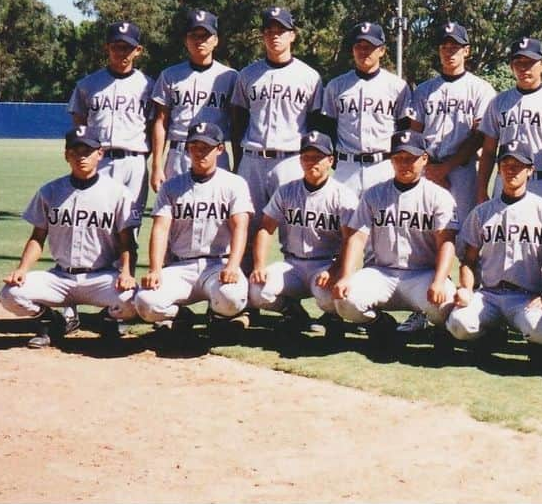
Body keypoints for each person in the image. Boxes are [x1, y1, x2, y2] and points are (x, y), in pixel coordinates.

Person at [0, 125, 138, 347]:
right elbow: (38, 237)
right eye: (75, 152)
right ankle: (52, 321)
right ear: (66, 155)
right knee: (10, 294)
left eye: (87, 152)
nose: (81, 157)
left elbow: (127, 242)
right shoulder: (50, 191)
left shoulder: (118, 193)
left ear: (99, 154)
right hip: (60, 278)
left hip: (101, 278)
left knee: (134, 299)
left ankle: (107, 319)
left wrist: (127, 273)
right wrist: (22, 269)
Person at [331, 130, 457, 357]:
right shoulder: (374, 194)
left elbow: (446, 242)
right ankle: (381, 326)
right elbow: (357, 237)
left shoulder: (439, 196)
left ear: (424, 159)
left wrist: (439, 281)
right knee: (345, 300)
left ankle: (440, 329)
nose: (404, 164)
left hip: (422, 274)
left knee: (446, 301)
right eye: (398, 158)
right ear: (390, 160)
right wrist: (347, 275)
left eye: (410, 158)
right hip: (381, 272)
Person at [132, 121, 253, 342]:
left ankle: (219, 317)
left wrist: (233, 265)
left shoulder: (234, 184)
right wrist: (155, 269)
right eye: (195, 146)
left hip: (218, 265)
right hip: (181, 266)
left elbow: (240, 227)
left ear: (219, 149)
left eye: (206, 147)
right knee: (145, 303)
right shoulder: (172, 186)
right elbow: (160, 229)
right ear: (187, 148)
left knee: (232, 298)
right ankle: (181, 317)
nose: (200, 152)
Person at [448, 140, 542, 365]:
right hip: (489, 295)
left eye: (518, 165)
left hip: (527, 296)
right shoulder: (483, 212)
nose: (511, 169)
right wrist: (466, 288)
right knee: (459, 324)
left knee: (541, 332)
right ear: (499, 169)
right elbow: (468, 260)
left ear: (530, 170)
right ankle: (488, 334)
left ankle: (533, 341)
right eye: (506, 163)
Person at [248, 131, 357, 340]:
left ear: (330, 161)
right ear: (300, 160)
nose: (311, 162)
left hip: (326, 265)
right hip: (293, 265)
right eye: (306, 157)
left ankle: (333, 317)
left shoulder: (342, 195)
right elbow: (265, 228)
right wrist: (259, 265)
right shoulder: (286, 191)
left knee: (327, 295)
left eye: (318, 157)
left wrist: (336, 270)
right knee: (257, 290)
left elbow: (350, 240)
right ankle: (293, 313)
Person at [230, 5, 322, 227]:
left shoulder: (309, 76)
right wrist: (238, 161)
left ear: (292, 35)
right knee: (247, 226)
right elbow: (238, 121)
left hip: (290, 159)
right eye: (269, 31)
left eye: (280, 31)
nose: (274, 36)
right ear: (263, 35)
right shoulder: (247, 74)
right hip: (252, 159)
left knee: (295, 227)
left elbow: (316, 124)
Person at [407, 20, 495, 224]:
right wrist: (431, 169)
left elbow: (478, 137)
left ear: (466, 51)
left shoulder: (480, 88)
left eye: (454, 47)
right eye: (444, 47)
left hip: (462, 170)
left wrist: (446, 168)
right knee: (422, 230)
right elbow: (415, 134)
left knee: (463, 233)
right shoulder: (424, 90)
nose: (449, 52)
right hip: (426, 168)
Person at [68, 19, 154, 226]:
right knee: (99, 221)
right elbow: (79, 123)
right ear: (107, 47)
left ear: (138, 50)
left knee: (130, 224)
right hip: (100, 159)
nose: (122, 52)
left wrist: (143, 156)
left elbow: (152, 126)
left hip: (135, 161)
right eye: (116, 47)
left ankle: (126, 260)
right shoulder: (88, 84)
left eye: (127, 48)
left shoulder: (148, 85)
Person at [476, 36, 542, 216]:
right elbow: (488, 151)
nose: (523, 68)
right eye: (518, 62)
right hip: (505, 179)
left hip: (541, 181)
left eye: (530, 62)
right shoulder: (499, 101)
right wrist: (482, 190)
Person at [319, 21, 412, 196]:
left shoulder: (397, 87)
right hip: (347, 167)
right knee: (344, 221)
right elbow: (327, 128)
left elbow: (404, 128)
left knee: (383, 220)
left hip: (383, 165)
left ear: (382, 50)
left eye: (370, 47)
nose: (363, 52)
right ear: (353, 49)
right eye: (359, 46)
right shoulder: (336, 85)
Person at [149, 9, 238, 190]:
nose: (199, 41)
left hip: (215, 154)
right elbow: (160, 121)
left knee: (217, 214)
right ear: (185, 40)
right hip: (179, 152)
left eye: (205, 36)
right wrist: (157, 165)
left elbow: (237, 125)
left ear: (216, 40)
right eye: (194, 35)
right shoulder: (170, 75)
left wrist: (238, 164)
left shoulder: (230, 77)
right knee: (175, 213)